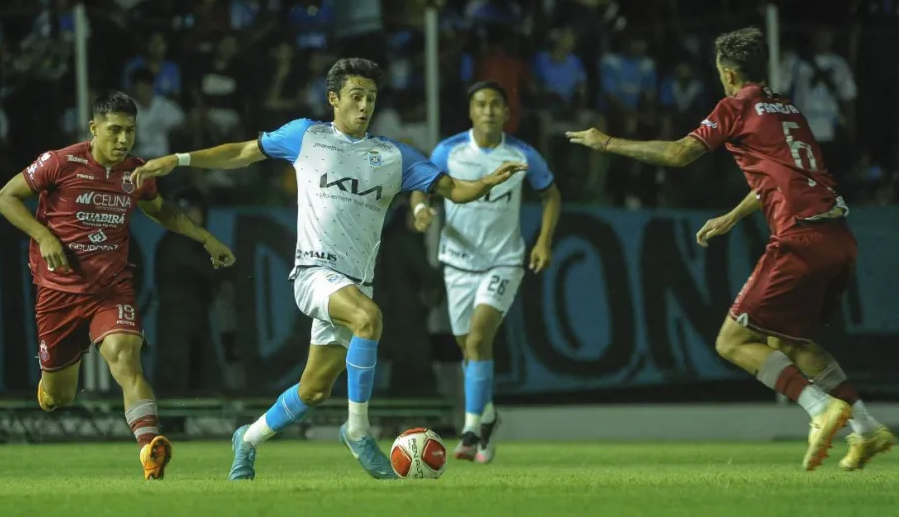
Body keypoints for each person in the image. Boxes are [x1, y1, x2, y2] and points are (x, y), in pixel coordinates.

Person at [129, 58, 526, 481]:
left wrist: (483, 184)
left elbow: (451, 189)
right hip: (314, 274)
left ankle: (246, 440)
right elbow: (242, 153)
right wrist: (179, 159)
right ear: (333, 99)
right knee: (369, 319)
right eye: (356, 96)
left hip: (357, 283)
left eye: (371, 98)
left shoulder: (393, 156)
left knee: (313, 389)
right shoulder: (306, 136)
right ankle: (358, 432)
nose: (365, 106)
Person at [566, 27, 894, 471]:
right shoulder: (788, 109)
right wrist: (732, 216)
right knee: (790, 341)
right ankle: (868, 428)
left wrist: (606, 143)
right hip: (838, 236)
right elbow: (782, 175)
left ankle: (820, 409)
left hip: (799, 237)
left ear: (727, 73)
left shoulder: (735, 106)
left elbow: (681, 153)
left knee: (732, 340)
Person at [0, 91, 236, 480]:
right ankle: (51, 382)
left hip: (111, 288)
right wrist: (44, 236)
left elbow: (163, 211)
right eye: (115, 131)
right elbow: (5, 198)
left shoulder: (136, 172)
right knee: (59, 397)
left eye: (130, 132)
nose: (123, 140)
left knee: (126, 356)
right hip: (58, 291)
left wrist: (206, 239)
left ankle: (149, 449)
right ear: (94, 129)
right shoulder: (60, 162)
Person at [409, 81, 562, 463]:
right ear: (471, 112)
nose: (489, 110)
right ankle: (488, 417)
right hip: (458, 262)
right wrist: (420, 210)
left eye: (496, 104)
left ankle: (470, 430)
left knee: (478, 339)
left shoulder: (523, 154)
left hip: (504, 261)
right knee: (469, 349)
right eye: (481, 104)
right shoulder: (450, 151)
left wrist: (543, 241)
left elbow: (551, 194)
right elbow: (420, 187)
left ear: (506, 113)